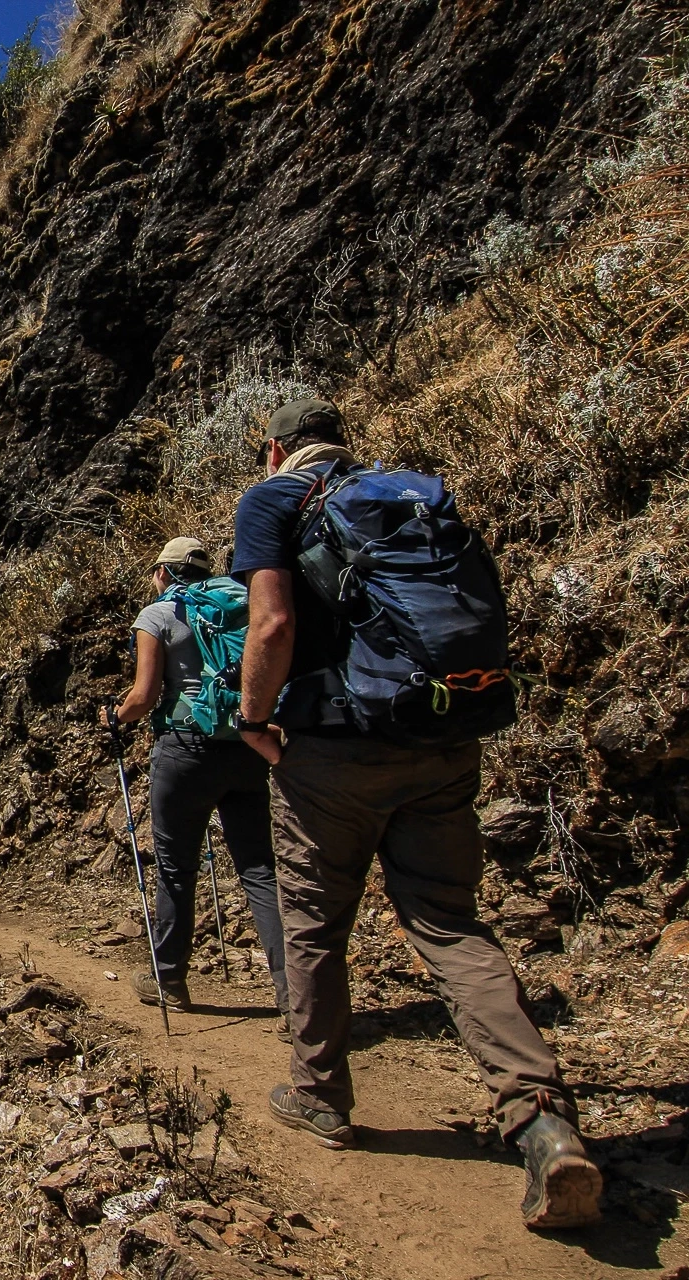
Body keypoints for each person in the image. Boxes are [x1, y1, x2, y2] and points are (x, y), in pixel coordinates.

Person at [232, 397, 601, 1230]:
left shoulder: (275, 500)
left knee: (316, 923)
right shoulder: (406, 497)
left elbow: (275, 621)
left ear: (276, 447)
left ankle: (320, 1094)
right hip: (442, 738)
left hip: (329, 749)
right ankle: (540, 1117)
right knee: (447, 922)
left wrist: (254, 722)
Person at [103, 536, 288, 1023]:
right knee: (260, 870)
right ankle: (300, 1001)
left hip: (183, 750)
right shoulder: (244, 603)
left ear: (163, 572)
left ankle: (169, 979)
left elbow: (144, 696)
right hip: (247, 746)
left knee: (175, 866)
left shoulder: (157, 615)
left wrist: (115, 716)